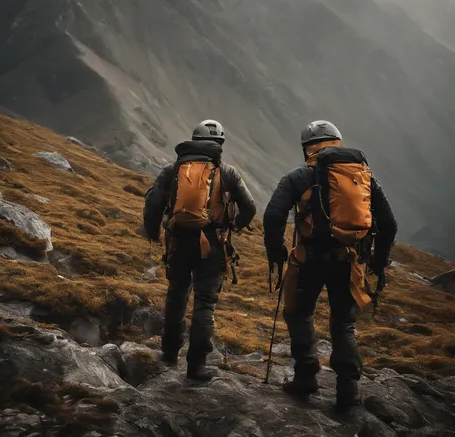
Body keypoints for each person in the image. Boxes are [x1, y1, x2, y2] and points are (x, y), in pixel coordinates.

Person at [264, 120, 397, 409]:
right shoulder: (363, 177)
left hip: (308, 260)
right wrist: (377, 261)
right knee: (344, 324)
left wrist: (277, 251)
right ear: (337, 142)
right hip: (349, 263)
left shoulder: (298, 177)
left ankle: (306, 376)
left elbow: (274, 215)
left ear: (306, 149)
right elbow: (389, 224)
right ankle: (348, 392)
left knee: (299, 314)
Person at [144, 119, 256, 381]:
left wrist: (152, 232)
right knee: (205, 302)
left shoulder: (172, 170)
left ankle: (169, 353)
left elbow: (153, 205)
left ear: (192, 141)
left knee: (177, 294)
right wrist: (233, 226)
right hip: (214, 245)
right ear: (220, 145)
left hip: (179, 242)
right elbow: (249, 208)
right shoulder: (228, 172)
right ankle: (196, 367)